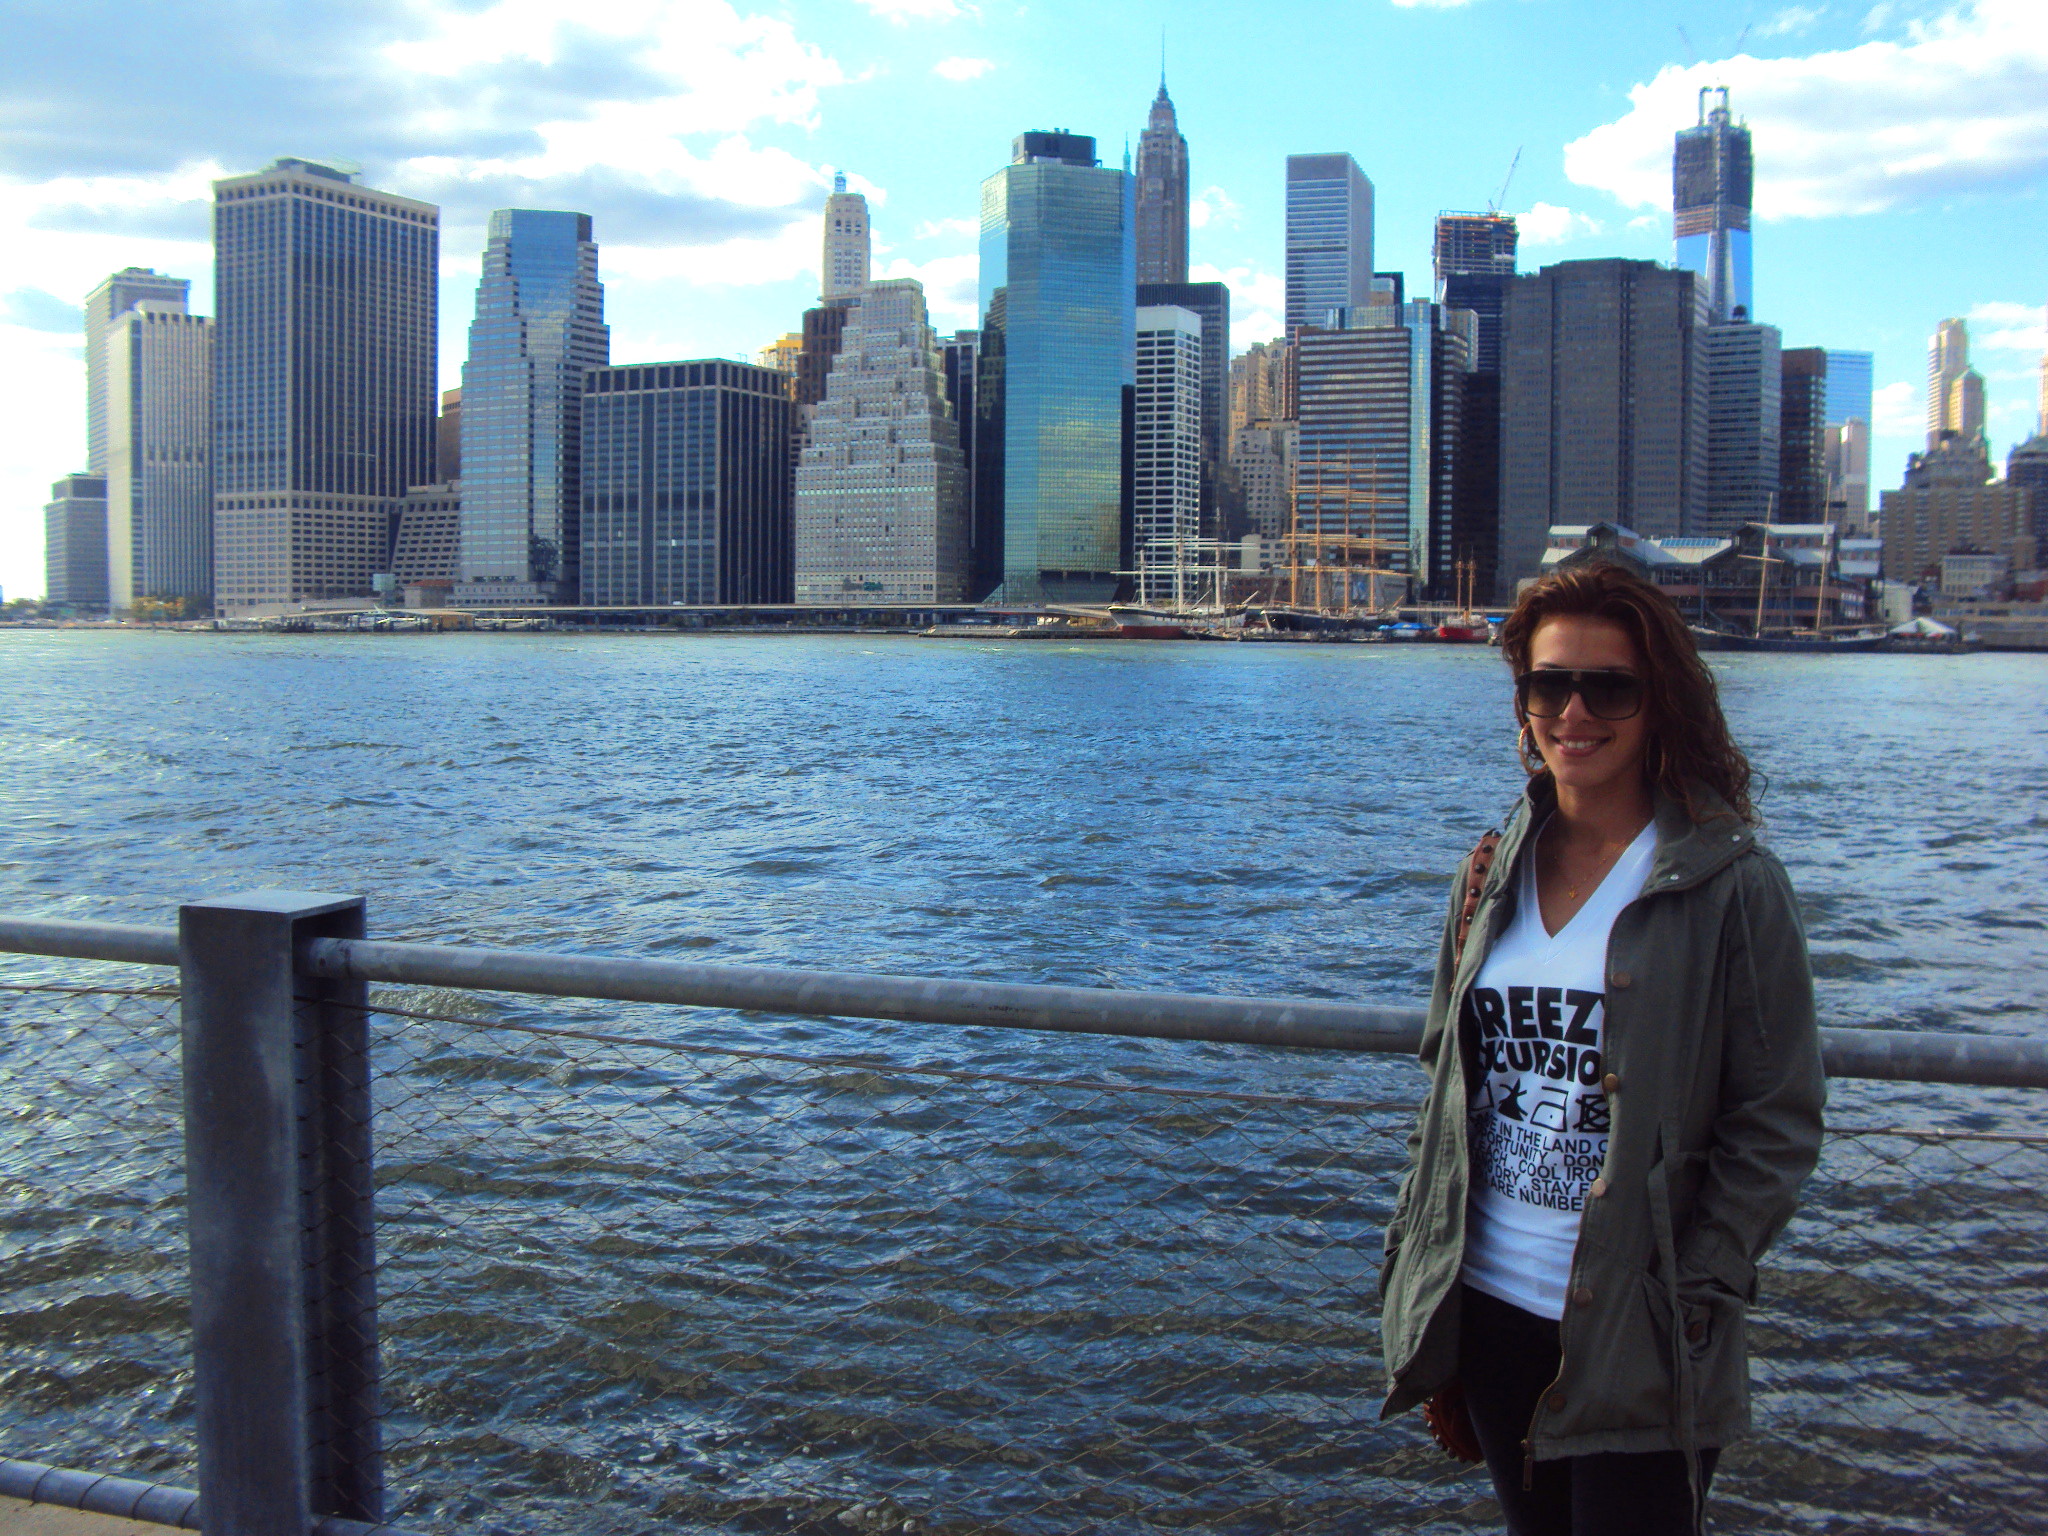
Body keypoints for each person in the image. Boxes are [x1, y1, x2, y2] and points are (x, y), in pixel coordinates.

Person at [1378, 561, 1826, 1536]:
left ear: (1657, 700)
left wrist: (1696, 1286)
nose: (1573, 712)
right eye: (1549, 685)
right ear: (1523, 701)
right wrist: (1418, 1264)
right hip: (1489, 1305)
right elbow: (1442, 1079)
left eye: (1608, 687)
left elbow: (1777, 1118)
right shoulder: (1488, 872)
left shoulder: (1730, 884)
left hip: (1639, 1329)